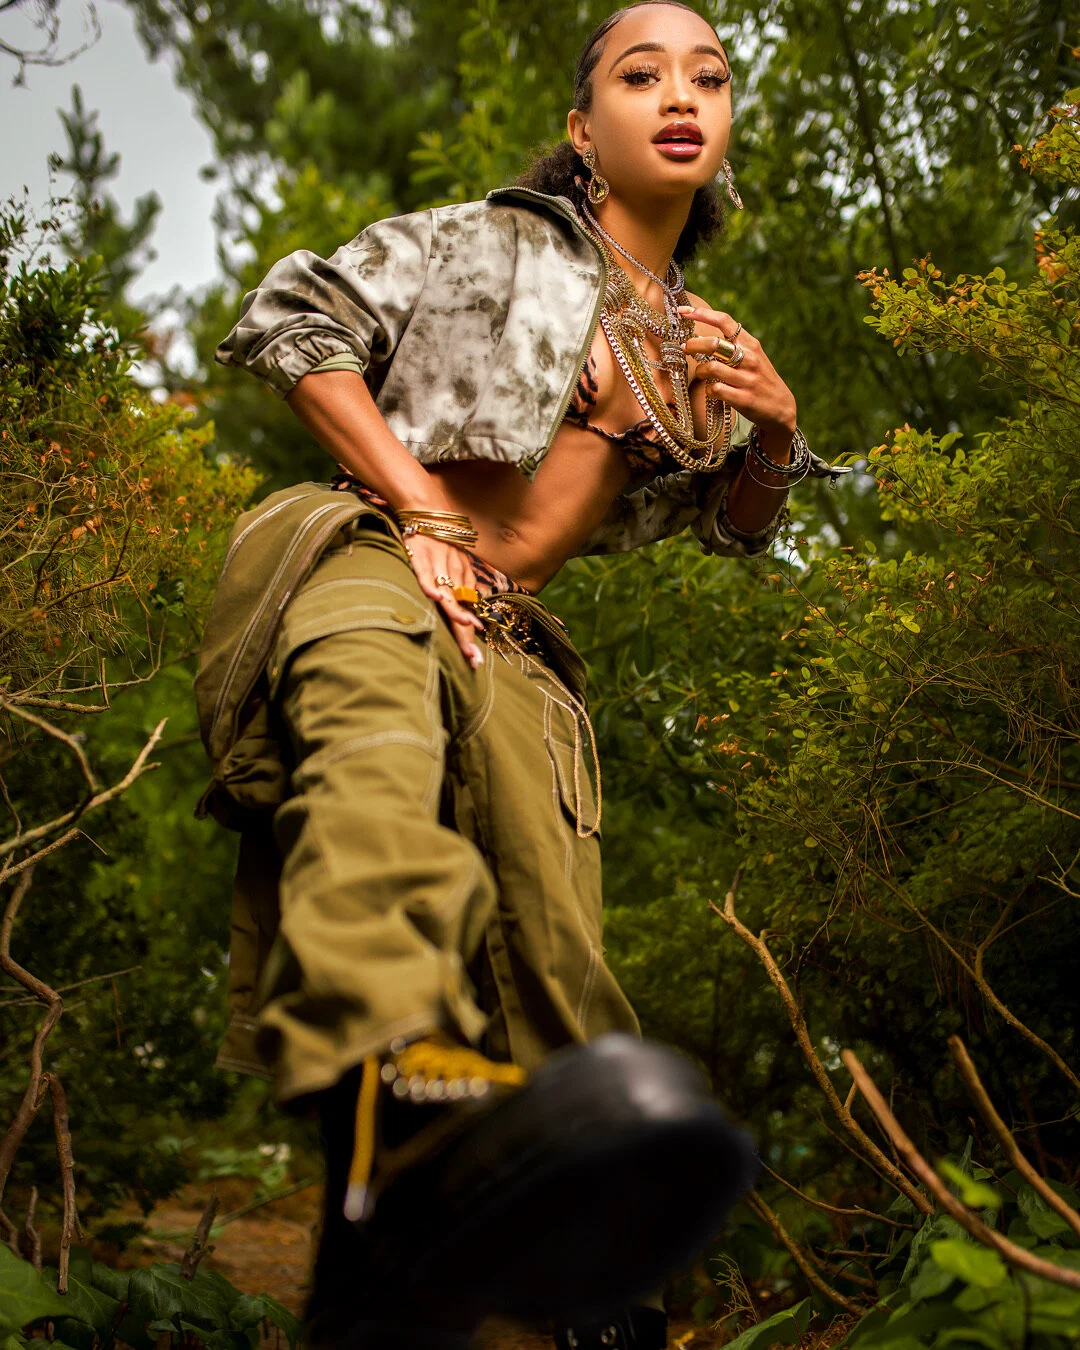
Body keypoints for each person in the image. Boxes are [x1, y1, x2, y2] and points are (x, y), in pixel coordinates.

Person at [195, 2, 844, 1345]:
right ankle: (394, 1076)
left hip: (516, 638)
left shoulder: (704, 359)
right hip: (373, 550)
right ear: (582, 128)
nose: (683, 93)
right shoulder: (483, 241)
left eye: (710, 76)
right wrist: (421, 506)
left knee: (551, 945)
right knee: (375, 763)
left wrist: (776, 434)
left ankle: (562, 1276)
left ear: (725, 127)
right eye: (641, 71)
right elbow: (290, 318)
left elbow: (728, 524)